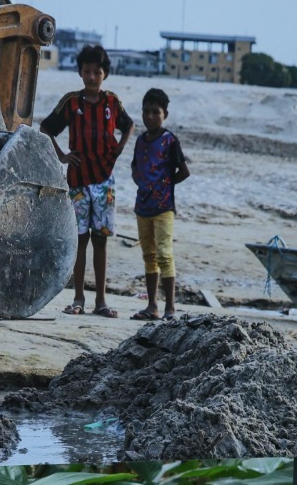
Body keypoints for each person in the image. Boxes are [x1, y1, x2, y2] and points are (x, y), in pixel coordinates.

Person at [40, 44, 134, 317]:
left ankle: (101, 301)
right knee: (80, 239)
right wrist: (63, 156)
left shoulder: (112, 103)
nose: (92, 77)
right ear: (80, 73)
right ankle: (79, 298)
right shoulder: (71, 102)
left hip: (104, 182)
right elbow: (46, 129)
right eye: (87, 72)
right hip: (78, 182)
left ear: (105, 74)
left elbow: (128, 126)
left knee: (101, 240)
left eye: (97, 72)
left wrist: (118, 149)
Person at [129, 87, 190, 321]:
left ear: (165, 114)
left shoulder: (170, 141)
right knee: (149, 255)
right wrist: (142, 181)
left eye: (156, 112)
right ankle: (152, 305)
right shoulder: (141, 141)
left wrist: (165, 184)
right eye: (146, 111)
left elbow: (183, 171)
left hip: (164, 208)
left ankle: (170, 308)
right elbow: (135, 168)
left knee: (165, 254)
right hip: (143, 207)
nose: (150, 116)